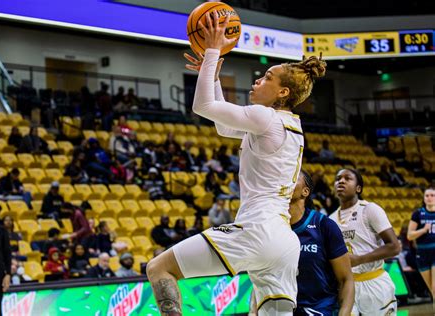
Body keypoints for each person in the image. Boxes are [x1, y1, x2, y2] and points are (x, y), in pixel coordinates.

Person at [147, 12, 326, 316]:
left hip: (257, 230)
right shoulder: (289, 124)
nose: (258, 79)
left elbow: (203, 106)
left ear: (283, 92)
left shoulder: (265, 117)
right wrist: (212, 73)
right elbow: (222, 126)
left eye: (267, 77)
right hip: (283, 241)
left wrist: (212, 51)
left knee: (158, 268)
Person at [253, 171, 354, 315]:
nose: (286, 181)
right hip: (280, 310)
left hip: (318, 309)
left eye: (293, 178)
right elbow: (261, 279)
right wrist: (253, 311)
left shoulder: (324, 225)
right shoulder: (270, 229)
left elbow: (346, 279)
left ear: (305, 192)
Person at [329, 168, 400, 315]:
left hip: (374, 282)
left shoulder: (369, 209)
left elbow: (394, 246)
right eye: (338, 179)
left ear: (358, 188)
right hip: (347, 286)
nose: (341, 181)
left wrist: (360, 259)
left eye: (347, 178)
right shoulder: (331, 219)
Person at [407, 187, 435, 297]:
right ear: (423, 198)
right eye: (427, 196)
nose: (429, 198)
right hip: (422, 254)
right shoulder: (418, 214)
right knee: (432, 292)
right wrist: (423, 230)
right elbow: (409, 236)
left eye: (432, 195)